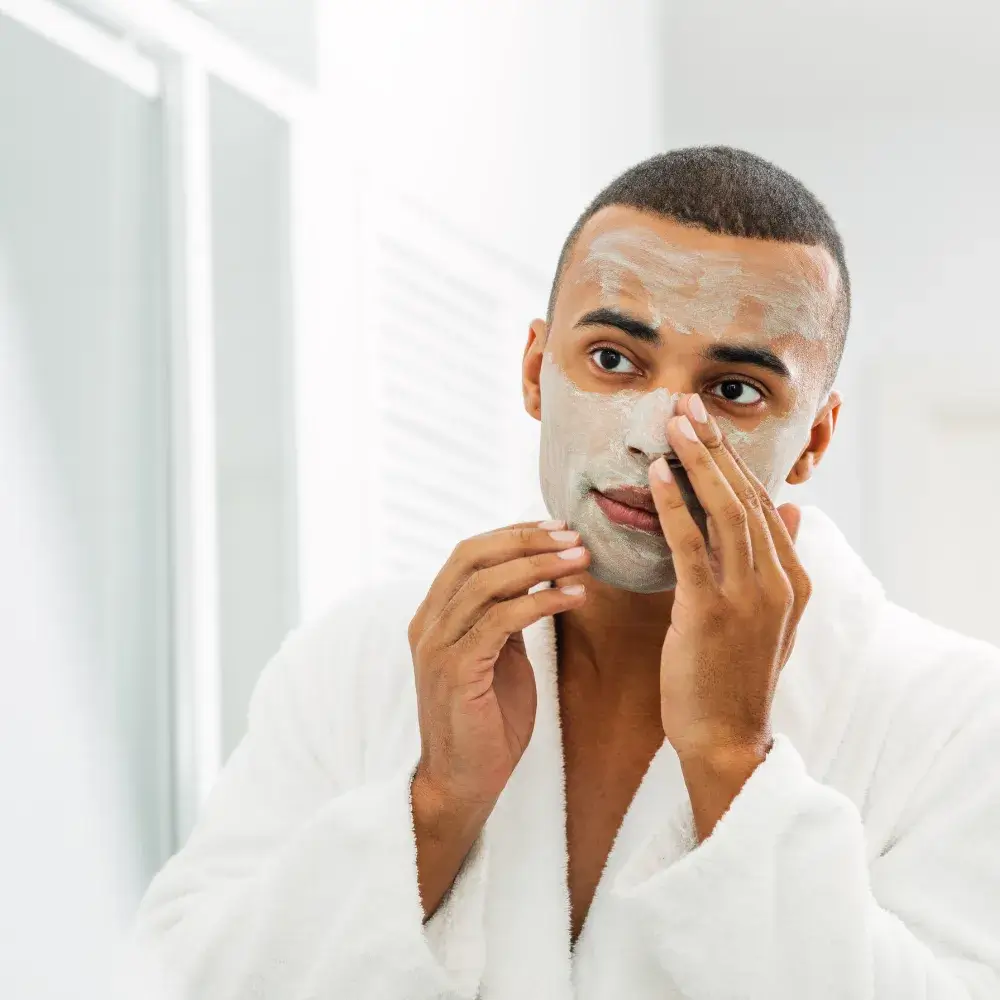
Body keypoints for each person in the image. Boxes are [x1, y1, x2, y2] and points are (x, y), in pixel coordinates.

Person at [127, 147, 1000, 999]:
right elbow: (174, 981)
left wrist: (735, 763)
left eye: (735, 390)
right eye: (615, 360)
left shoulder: (956, 720)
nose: (656, 436)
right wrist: (435, 805)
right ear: (535, 369)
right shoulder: (359, 661)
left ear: (813, 437)